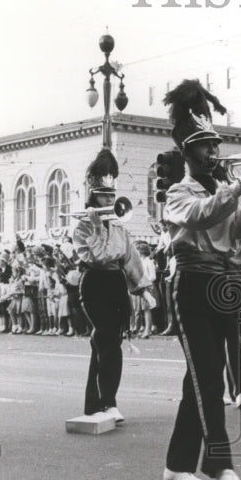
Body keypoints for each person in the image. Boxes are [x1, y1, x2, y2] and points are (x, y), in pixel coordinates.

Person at [160, 79, 241, 480]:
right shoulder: (177, 192)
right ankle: (222, 468)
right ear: (187, 153)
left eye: (214, 145)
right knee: (208, 379)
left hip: (223, 282)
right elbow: (203, 216)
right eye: (205, 146)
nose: (213, 152)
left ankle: (176, 465)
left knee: (201, 380)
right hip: (191, 284)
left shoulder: (225, 188)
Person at [73, 148, 148, 423]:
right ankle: (110, 402)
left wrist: (143, 288)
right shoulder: (82, 227)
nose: (109, 199)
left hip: (116, 283)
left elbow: (130, 258)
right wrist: (96, 229)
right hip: (94, 283)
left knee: (106, 341)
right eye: (105, 195)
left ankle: (94, 403)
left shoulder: (119, 226)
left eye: (112, 195)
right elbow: (97, 257)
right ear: (94, 196)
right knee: (107, 340)